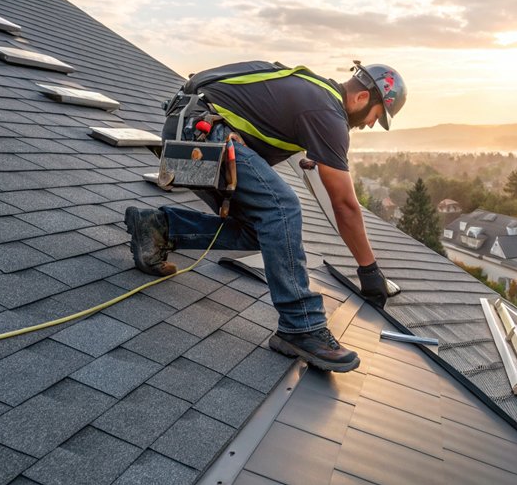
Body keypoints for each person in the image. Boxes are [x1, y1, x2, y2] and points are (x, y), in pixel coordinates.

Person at [124, 61, 407, 373]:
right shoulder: (328, 112)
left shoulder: (317, 94)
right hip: (202, 132)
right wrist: (369, 271)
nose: (369, 125)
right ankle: (302, 326)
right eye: (376, 117)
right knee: (282, 208)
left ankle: (158, 229)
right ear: (363, 98)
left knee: (267, 230)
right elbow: (344, 205)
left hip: (190, 128)